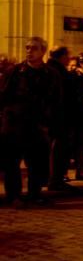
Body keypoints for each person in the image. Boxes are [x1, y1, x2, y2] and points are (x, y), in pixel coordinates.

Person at [1, 37, 62, 206]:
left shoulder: (51, 74)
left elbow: (56, 100)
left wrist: (50, 123)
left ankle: (35, 194)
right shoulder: (14, 72)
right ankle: (14, 196)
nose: (29, 51)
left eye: (34, 48)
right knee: (12, 163)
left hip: (38, 125)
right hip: (15, 124)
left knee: (37, 162)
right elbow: (3, 96)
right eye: (27, 48)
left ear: (42, 51)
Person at [46, 46, 74, 191]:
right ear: (62, 56)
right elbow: (62, 95)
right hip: (59, 117)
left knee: (53, 148)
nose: (69, 58)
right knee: (58, 149)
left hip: (54, 116)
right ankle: (55, 180)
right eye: (68, 55)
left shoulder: (50, 69)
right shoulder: (57, 71)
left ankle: (52, 178)